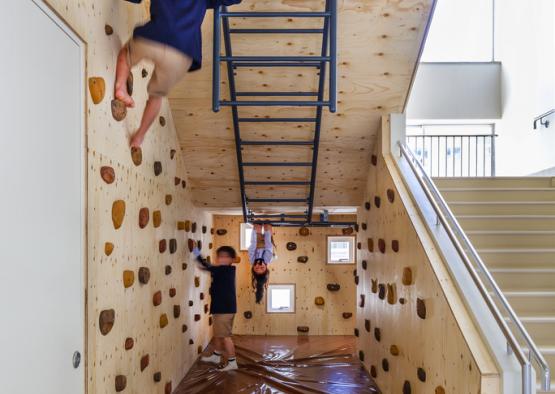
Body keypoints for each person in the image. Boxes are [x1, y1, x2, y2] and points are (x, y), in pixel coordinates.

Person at [118, 0, 242, 147]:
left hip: (155, 36)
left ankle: (120, 88)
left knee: (125, 56)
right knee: (156, 97)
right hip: (182, 54)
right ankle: (139, 137)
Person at [194, 245, 238, 371]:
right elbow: (207, 267)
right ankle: (216, 355)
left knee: (225, 336)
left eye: (226, 256)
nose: (222, 259)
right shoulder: (223, 270)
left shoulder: (224, 270)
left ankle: (232, 362)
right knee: (218, 334)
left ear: (231, 259)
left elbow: (206, 265)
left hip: (224, 309)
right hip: (221, 307)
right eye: (220, 256)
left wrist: (195, 251)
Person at [248, 224, 275, 304]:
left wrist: (255, 233)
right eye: (262, 268)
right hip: (267, 243)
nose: (258, 266)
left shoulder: (252, 260)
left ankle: (258, 227)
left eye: (256, 268)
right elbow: (269, 246)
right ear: (266, 268)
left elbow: (252, 248)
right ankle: (266, 227)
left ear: (253, 268)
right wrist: (267, 232)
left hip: (256, 243)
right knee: (268, 226)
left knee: (257, 226)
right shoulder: (267, 259)